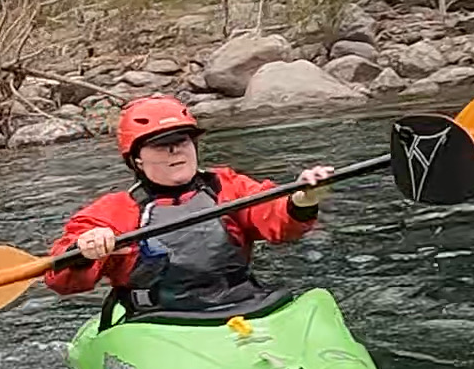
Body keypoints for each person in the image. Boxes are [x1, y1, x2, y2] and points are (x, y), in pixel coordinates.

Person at [47, 97, 339, 319]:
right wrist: (82, 251)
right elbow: (61, 279)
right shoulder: (113, 211)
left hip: (241, 303)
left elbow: (274, 213)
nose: (176, 151)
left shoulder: (228, 186)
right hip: (160, 320)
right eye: (162, 145)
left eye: (182, 141)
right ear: (136, 159)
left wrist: (302, 199)